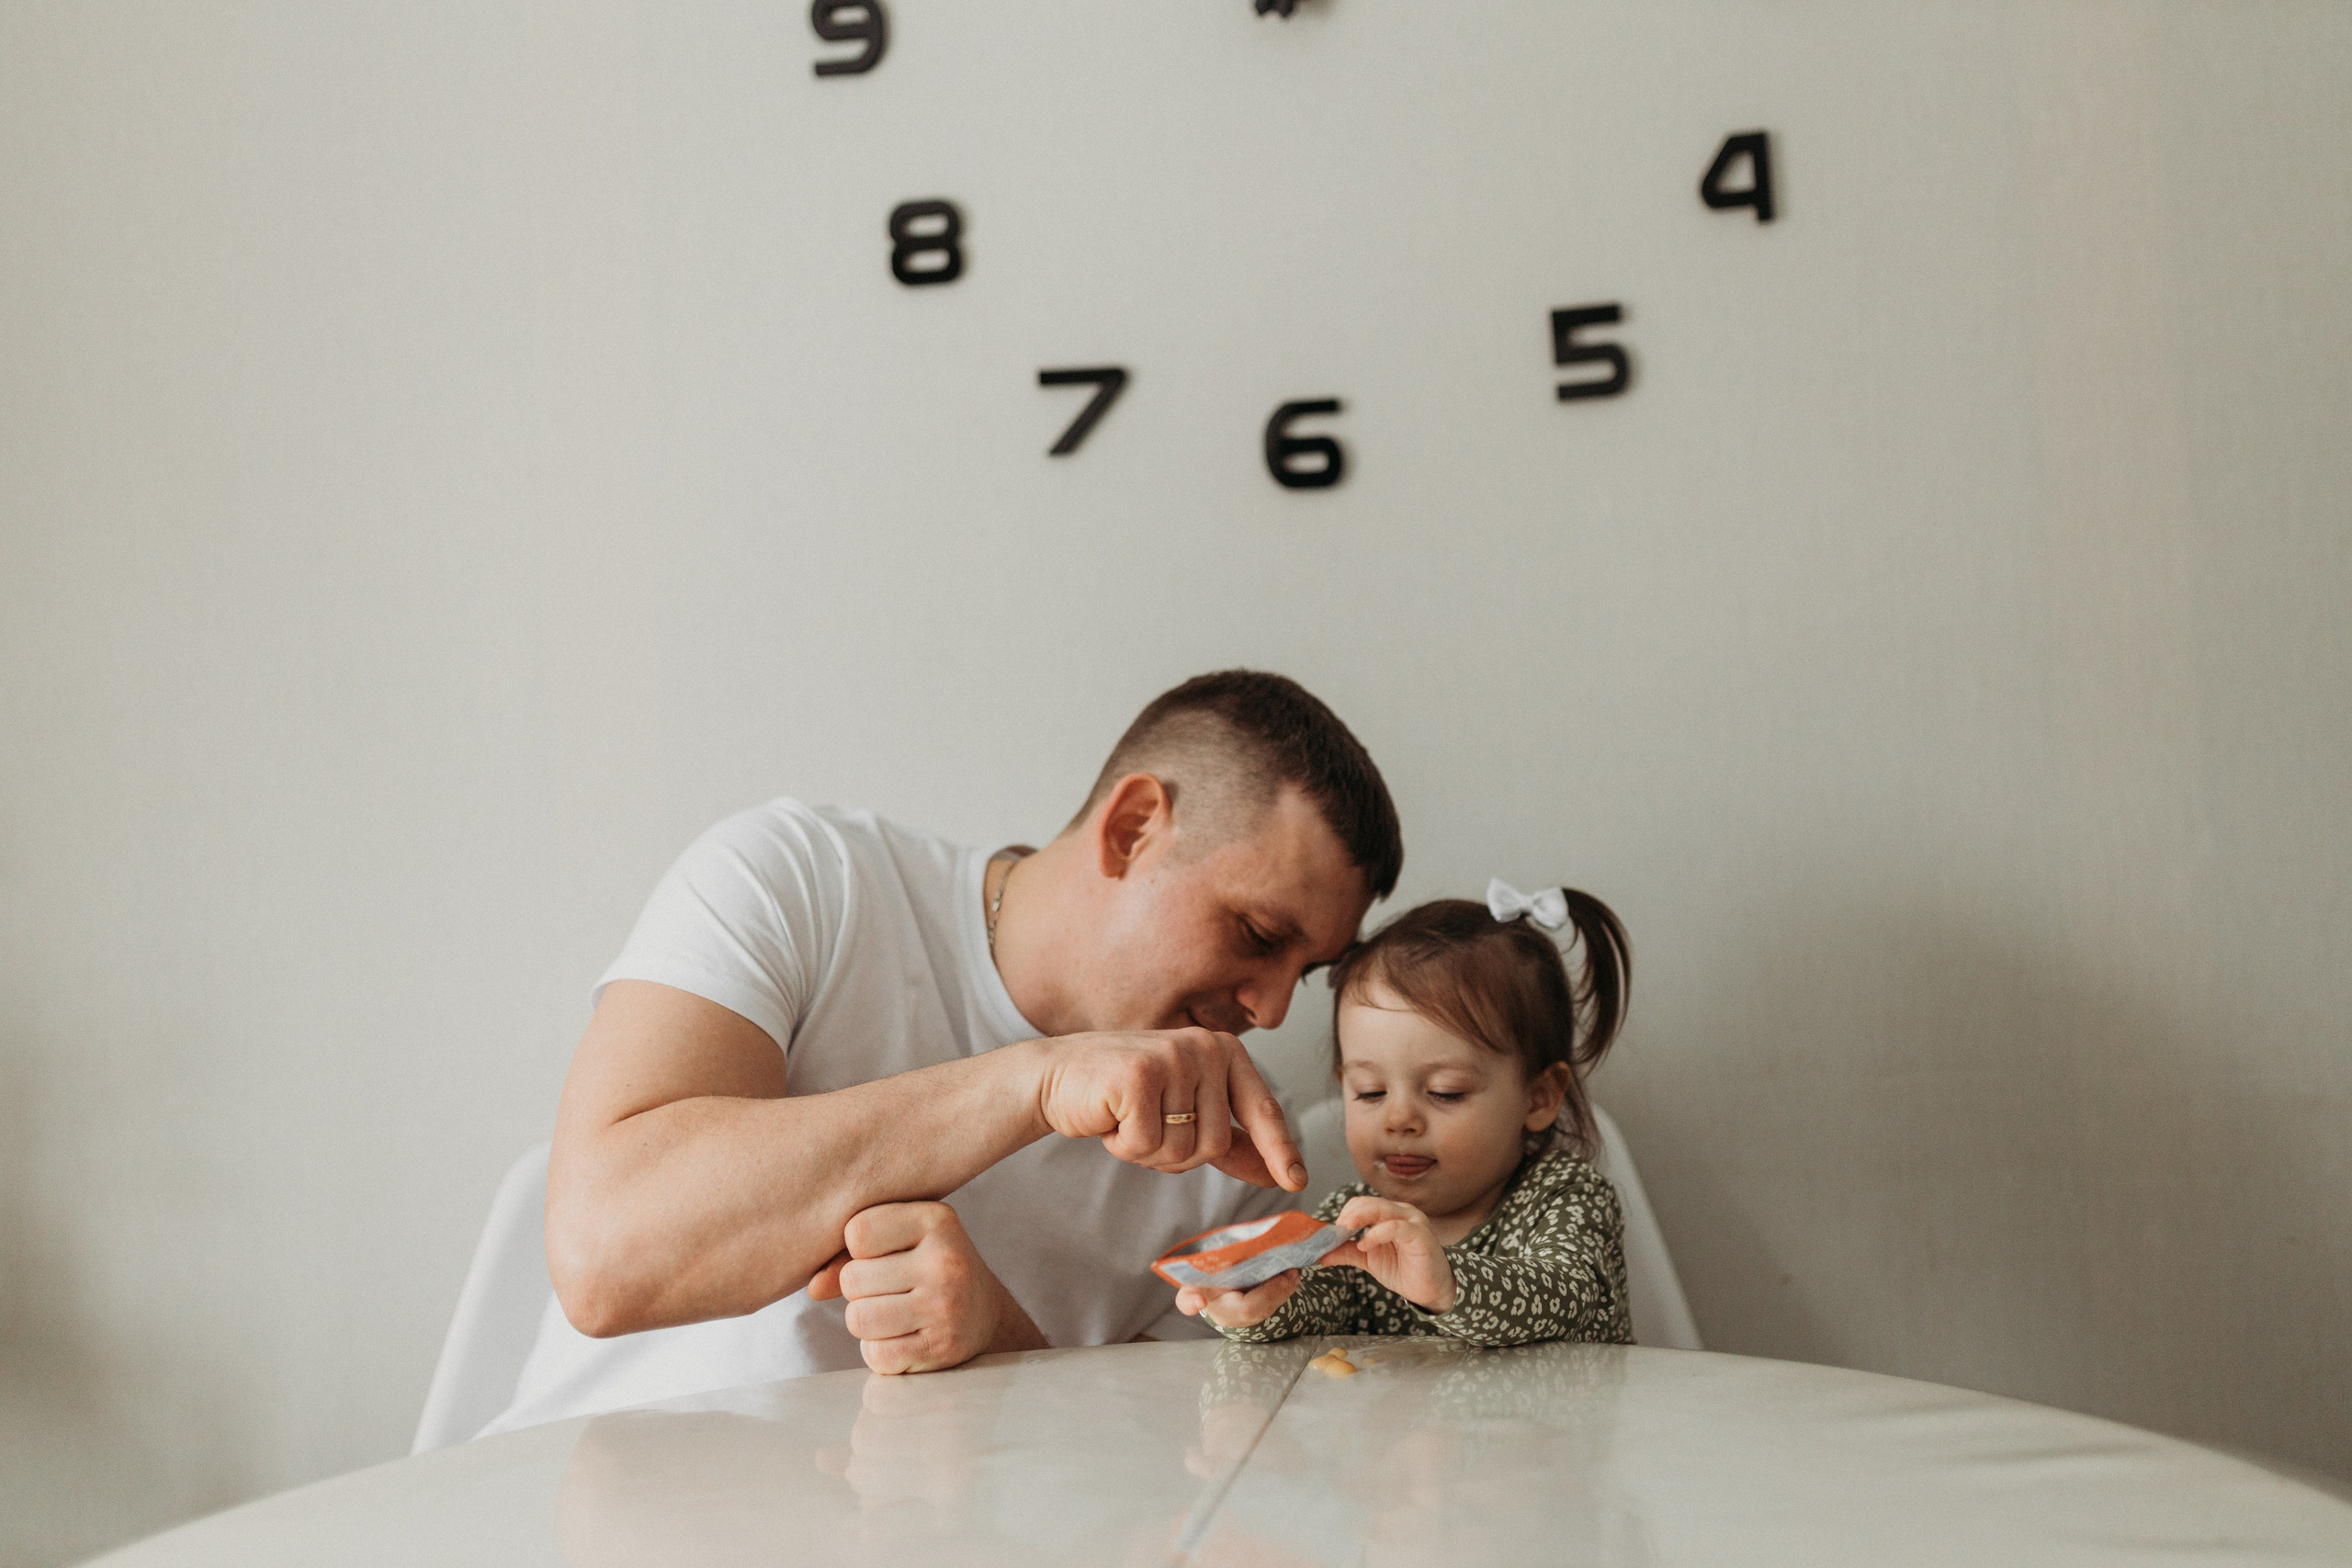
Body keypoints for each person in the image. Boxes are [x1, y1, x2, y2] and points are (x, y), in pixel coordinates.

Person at [480, 671, 1403, 1435]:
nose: (1271, 1009)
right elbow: (604, 1256)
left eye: (1305, 972)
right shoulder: (806, 878)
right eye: (1255, 934)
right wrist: (1031, 1081)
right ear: (1131, 828)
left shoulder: (1236, 1149)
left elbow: (1153, 1498)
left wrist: (998, 1338)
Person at [1174, 880, 1634, 1346]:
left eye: (1445, 1092)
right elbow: (1311, 1299)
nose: (1398, 1120)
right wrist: (1255, 1301)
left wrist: (1446, 1281)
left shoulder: (1565, 1196)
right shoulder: (1358, 1217)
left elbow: (1571, 1297)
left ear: (1539, 1097)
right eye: (1370, 1092)